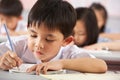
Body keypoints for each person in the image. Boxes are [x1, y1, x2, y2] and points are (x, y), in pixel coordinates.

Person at [0, 0, 107, 75]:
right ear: (28, 29)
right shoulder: (19, 45)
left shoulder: (68, 52)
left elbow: (101, 65)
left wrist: (62, 63)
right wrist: (2, 61)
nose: (38, 44)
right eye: (33, 35)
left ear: (66, 41)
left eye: (49, 39)